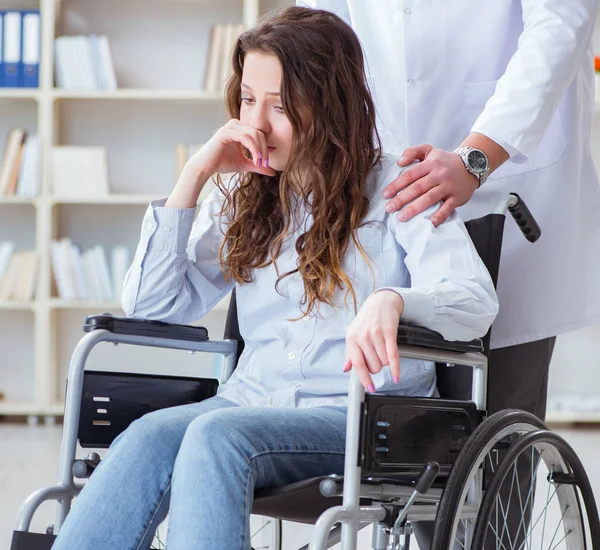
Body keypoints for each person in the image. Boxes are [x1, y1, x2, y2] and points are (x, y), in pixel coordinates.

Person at [51, 7, 498, 550]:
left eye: (280, 106)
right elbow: (153, 303)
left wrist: (393, 299)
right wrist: (195, 175)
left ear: (329, 106)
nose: (256, 124)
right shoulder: (246, 194)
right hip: (249, 402)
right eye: (246, 100)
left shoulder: (397, 187)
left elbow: (474, 301)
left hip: (357, 419)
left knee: (216, 436)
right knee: (148, 436)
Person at [297, 0, 600, 547]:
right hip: (391, 200)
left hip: (509, 189)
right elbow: (316, 36)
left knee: (492, 449)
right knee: (403, 447)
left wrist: (473, 159)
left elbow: (560, 25)